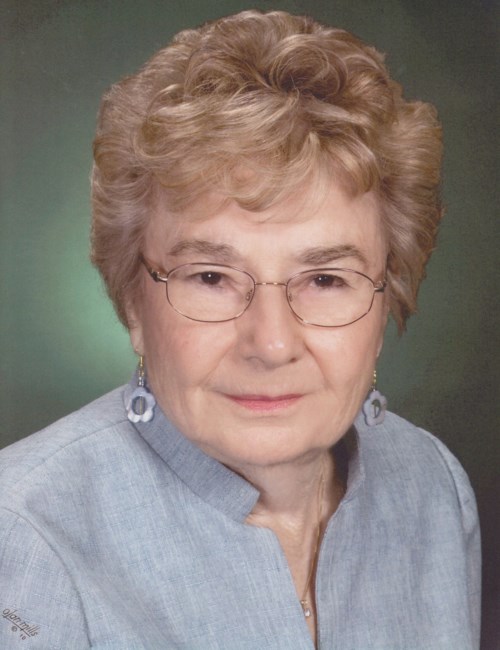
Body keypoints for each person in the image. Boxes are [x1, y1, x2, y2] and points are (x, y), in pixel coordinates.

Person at [0, 9, 480, 649]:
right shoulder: (24, 538)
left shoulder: (433, 487)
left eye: (325, 279)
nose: (272, 344)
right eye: (211, 277)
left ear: (387, 292)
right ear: (134, 304)